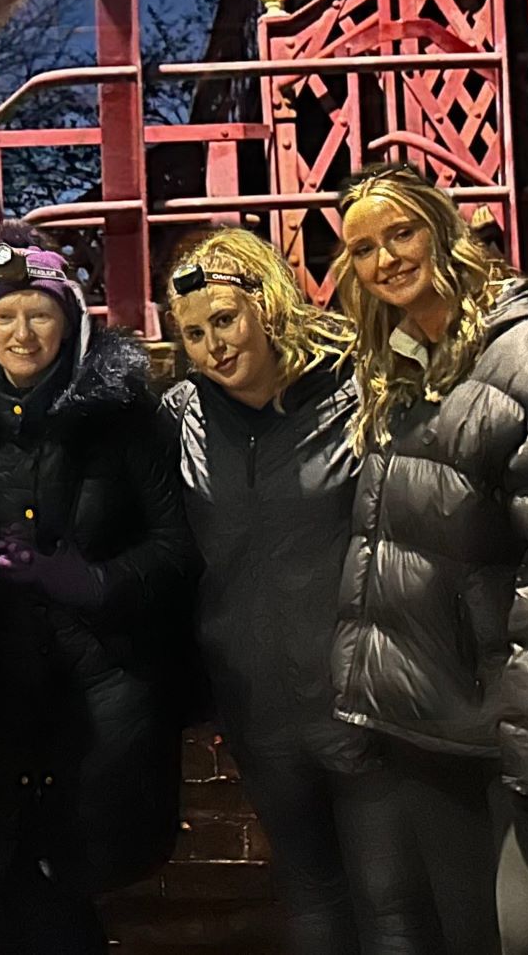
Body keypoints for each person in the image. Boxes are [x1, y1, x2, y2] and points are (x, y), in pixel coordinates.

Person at [328, 164, 528, 955]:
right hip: (429, 723)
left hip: (519, 730)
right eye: (363, 248)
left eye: (400, 232)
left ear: (445, 230)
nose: (385, 260)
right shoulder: (403, 363)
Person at [0, 223, 195, 955]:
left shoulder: (125, 417)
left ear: (69, 318)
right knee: (6, 869)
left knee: (74, 871)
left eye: (40, 312)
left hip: (106, 686)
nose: (22, 331)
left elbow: (176, 547)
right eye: (4, 314)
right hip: (3, 690)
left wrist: (92, 582)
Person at [162, 227, 378, 955]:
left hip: (366, 702)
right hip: (259, 710)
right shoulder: (182, 419)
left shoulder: (357, 389)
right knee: (314, 900)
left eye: (224, 320)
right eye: (193, 333)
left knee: (396, 904)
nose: (214, 345)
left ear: (267, 303)